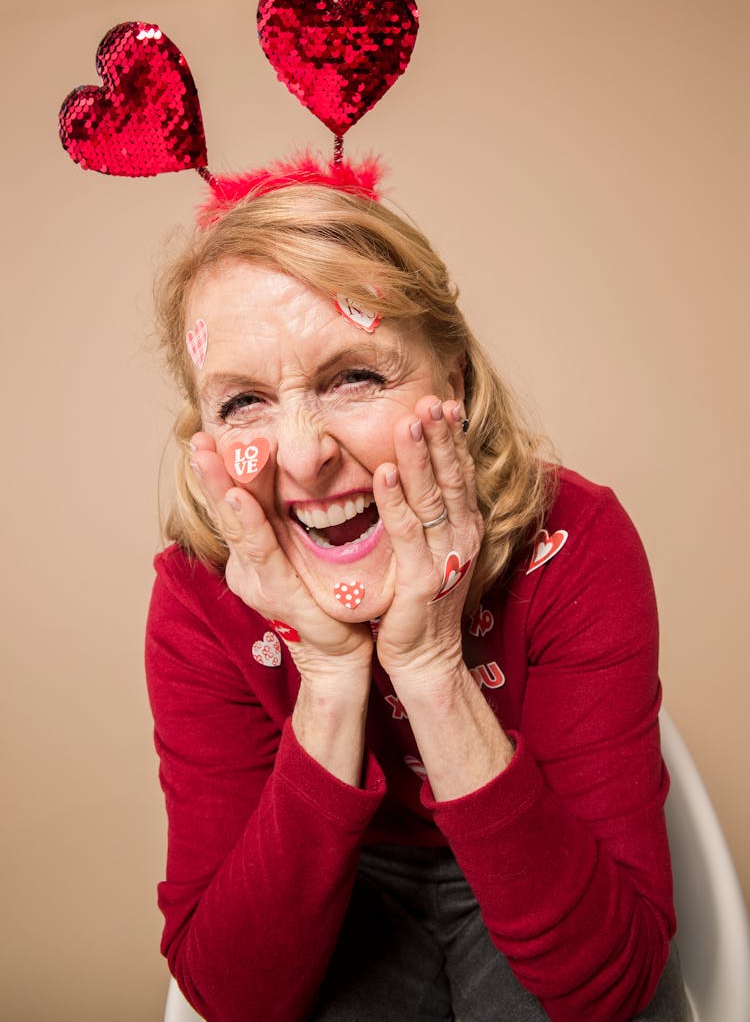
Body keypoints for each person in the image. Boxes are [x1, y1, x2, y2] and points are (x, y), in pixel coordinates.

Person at [145, 180, 690, 1022]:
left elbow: (611, 988)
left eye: (354, 376)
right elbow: (235, 1001)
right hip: (342, 873)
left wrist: (430, 663)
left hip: (530, 839)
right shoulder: (197, 597)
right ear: (206, 433)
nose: (302, 455)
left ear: (456, 381)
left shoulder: (576, 544)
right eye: (244, 399)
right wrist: (327, 672)